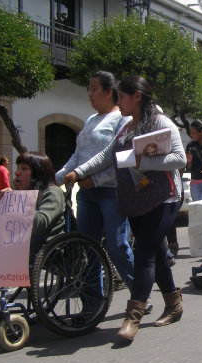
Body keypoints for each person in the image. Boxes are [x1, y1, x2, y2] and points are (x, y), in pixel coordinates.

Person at [64, 75, 186, 343]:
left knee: (143, 253)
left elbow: (179, 159)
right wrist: (77, 171)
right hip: (136, 199)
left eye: (122, 97)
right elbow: (107, 156)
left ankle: (133, 316)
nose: (119, 101)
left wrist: (143, 160)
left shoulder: (161, 123)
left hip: (164, 197)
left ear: (137, 96)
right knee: (158, 252)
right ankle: (174, 305)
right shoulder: (126, 128)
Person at [53, 71, 148, 309]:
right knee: (87, 248)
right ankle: (92, 304)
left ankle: (139, 295)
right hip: (86, 195)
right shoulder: (90, 120)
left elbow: (122, 159)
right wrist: (58, 175)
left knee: (117, 247)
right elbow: (78, 156)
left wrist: (94, 180)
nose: (89, 93)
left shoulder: (122, 120)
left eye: (94, 88)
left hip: (112, 192)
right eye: (89, 88)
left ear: (109, 92)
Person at [0, 152, 66, 306]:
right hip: (19, 244)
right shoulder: (23, 194)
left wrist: (15, 204)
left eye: (24, 169)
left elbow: (42, 222)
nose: (17, 172)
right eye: (18, 168)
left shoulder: (52, 192)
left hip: (43, 248)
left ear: (37, 173)